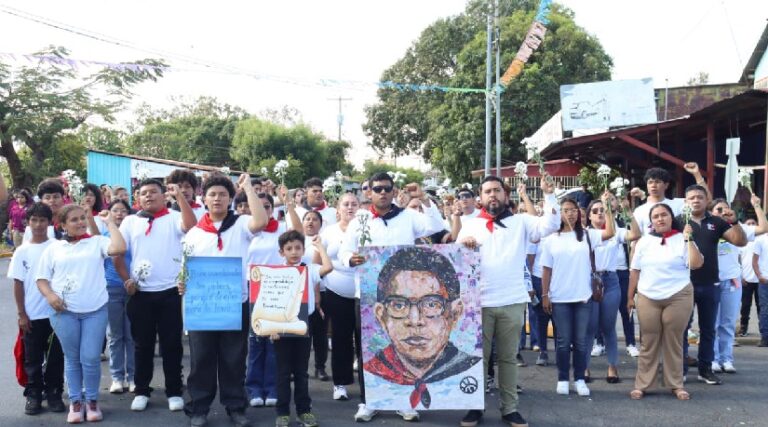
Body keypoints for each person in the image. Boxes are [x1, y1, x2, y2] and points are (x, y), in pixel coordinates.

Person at [339, 172, 445, 423]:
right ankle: (368, 401)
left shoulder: (408, 217)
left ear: (394, 191)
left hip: (403, 296)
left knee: (403, 348)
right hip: (368, 295)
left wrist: (424, 199)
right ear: (369, 192)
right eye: (377, 189)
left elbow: (436, 226)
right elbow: (344, 251)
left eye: (387, 188)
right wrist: (350, 259)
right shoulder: (360, 220)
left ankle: (403, 401)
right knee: (368, 349)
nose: (383, 193)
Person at [458, 179, 560, 427]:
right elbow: (456, 258)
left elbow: (550, 224)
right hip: (478, 303)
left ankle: (510, 408)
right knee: (477, 360)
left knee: (507, 358)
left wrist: (549, 196)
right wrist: (464, 245)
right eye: (487, 191)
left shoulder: (522, 221)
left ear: (506, 194)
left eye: (497, 190)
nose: (492, 195)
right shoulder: (470, 224)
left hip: (512, 300)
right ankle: (475, 407)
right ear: (481, 197)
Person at [179, 173, 267, 427]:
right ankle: (198, 408)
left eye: (223, 194)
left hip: (234, 302)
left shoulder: (240, 224)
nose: (217, 198)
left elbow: (261, 221)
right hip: (203, 304)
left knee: (233, 359)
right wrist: (182, 282)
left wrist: (248, 187)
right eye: (212, 194)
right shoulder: (194, 233)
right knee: (201, 359)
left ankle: (235, 407)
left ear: (230, 199)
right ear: (204, 199)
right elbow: (185, 268)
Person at [36, 204, 127, 422]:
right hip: (64, 312)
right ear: (63, 225)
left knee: (91, 357)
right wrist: (50, 296)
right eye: (74, 220)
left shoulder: (97, 242)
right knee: (72, 358)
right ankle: (76, 402)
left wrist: (110, 223)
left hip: (95, 310)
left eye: (82, 218)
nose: (80, 222)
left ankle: (92, 401)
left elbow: (119, 248)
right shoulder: (54, 248)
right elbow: (41, 279)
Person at [364, 246, 481, 409]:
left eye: (431, 304)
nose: (415, 320)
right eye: (398, 305)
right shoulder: (372, 374)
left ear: (454, 314)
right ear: (381, 315)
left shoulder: (470, 370)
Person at [120, 178, 196, 412]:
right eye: (144, 193)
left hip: (170, 292)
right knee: (142, 345)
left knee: (171, 345)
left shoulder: (174, 217)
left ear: (164, 196)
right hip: (140, 293)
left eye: (154, 192)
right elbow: (117, 254)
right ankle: (142, 390)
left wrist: (179, 196)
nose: (149, 196)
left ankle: (174, 390)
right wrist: (126, 280)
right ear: (137, 198)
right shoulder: (130, 221)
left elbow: (192, 226)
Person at [540, 196, 615, 398]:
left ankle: (580, 378)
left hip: (583, 297)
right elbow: (546, 269)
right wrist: (545, 294)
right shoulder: (551, 239)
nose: (570, 213)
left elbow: (610, 232)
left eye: (573, 210)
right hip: (560, 297)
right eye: (565, 210)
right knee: (563, 341)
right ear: (560, 214)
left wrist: (608, 207)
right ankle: (563, 378)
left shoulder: (588, 235)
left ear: (579, 212)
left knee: (581, 341)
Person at [628, 203, 703, 400]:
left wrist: (689, 239)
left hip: (678, 295)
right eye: (656, 216)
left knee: (674, 340)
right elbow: (635, 270)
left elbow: (696, 264)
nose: (660, 219)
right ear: (651, 221)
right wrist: (629, 297)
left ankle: (676, 384)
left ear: (671, 218)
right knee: (648, 340)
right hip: (647, 295)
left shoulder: (682, 238)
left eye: (664, 215)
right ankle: (643, 384)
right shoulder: (644, 241)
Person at [680, 184, 746, 385]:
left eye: (700, 197)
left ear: (706, 200)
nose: (696, 200)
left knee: (708, 329)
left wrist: (735, 222)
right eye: (691, 197)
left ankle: (705, 369)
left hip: (710, 283)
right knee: (682, 329)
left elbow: (740, 241)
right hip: (683, 284)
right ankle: (680, 369)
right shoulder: (677, 221)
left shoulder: (716, 222)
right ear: (686, 201)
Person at [272, 230, 332, 427]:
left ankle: (304, 411)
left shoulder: (310, 269)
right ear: (281, 252)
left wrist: (320, 247)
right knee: (282, 373)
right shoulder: (275, 272)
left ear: (303, 250)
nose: (294, 252)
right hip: (281, 327)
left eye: (298, 248)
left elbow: (328, 267)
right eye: (289, 249)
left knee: (301, 372)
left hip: (304, 325)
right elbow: (269, 302)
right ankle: (282, 413)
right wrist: (272, 329)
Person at [9, 203, 65, 415]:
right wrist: (22, 314)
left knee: (55, 358)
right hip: (32, 315)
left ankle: (54, 393)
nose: (38, 224)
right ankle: (33, 395)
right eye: (34, 220)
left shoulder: (58, 247)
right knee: (32, 359)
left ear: (50, 222)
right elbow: (18, 284)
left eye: (43, 220)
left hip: (56, 313)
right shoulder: (22, 251)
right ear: (27, 222)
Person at [584, 196, 640, 383]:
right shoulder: (583, 234)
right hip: (589, 281)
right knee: (590, 327)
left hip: (611, 280)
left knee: (609, 326)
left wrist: (628, 211)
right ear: (589, 216)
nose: (600, 213)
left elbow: (636, 234)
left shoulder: (616, 232)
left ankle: (612, 366)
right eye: (595, 211)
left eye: (603, 210)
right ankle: (584, 367)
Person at [710, 196, 767, 374]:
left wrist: (756, 206)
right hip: (710, 281)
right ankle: (712, 359)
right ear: (711, 212)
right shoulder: (707, 227)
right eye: (718, 210)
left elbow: (763, 228)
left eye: (725, 209)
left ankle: (726, 359)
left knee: (727, 323)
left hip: (731, 281)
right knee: (712, 324)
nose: (722, 212)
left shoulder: (737, 227)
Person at [319, 193, 360, 401]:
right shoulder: (329, 232)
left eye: (354, 204)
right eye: (346, 204)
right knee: (341, 338)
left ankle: (370, 386)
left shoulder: (367, 229)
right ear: (338, 209)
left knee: (365, 340)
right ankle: (340, 383)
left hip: (364, 292)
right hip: (336, 291)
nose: (350, 207)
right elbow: (318, 262)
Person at [244, 193, 284, 408]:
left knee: (274, 342)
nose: (263, 210)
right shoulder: (246, 230)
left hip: (277, 287)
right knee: (256, 341)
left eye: (267, 206)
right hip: (252, 288)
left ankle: (272, 387)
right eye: (258, 206)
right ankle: (253, 388)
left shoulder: (282, 229)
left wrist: (289, 203)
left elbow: (299, 235)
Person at [103, 200, 136, 394]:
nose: (119, 214)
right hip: (112, 288)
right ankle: (117, 377)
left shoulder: (134, 234)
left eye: (124, 210)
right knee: (115, 336)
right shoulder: (104, 236)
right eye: (115, 210)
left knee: (132, 336)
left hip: (133, 289)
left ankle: (132, 377)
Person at [630, 163, 708, 235]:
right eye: (650, 182)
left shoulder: (678, 204)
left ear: (666, 185)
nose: (653, 185)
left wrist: (697, 174)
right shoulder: (639, 211)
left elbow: (705, 198)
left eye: (657, 182)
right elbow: (636, 236)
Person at [301, 210, 330, 382]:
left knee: (320, 333)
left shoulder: (322, 241)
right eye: (307, 219)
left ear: (321, 223)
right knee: (302, 333)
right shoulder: (297, 241)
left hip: (321, 291)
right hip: (300, 293)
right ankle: (300, 369)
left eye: (314, 219)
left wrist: (317, 293)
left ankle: (320, 367)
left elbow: (317, 269)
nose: (310, 222)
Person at [740, 218, 761, 337]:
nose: (751, 225)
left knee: (761, 306)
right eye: (748, 223)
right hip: (746, 279)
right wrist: (741, 276)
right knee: (745, 306)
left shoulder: (762, 240)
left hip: (760, 280)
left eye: (753, 223)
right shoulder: (742, 241)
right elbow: (737, 260)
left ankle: (763, 329)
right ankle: (743, 328)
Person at [751, 229, 768, 347]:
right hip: (765, 281)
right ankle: (765, 337)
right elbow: (754, 261)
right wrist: (759, 276)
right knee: (765, 309)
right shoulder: (760, 240)